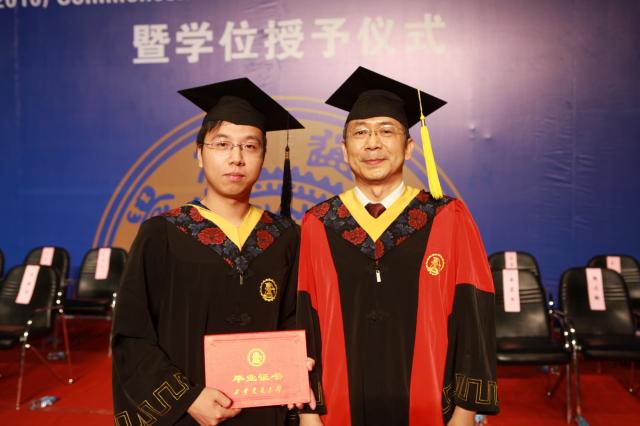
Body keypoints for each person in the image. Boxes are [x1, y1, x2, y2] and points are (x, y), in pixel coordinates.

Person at [296, 67, 499, 426]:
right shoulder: (319, 223)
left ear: (408, 147)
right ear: (344, 149)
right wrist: (309, 414)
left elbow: (474, 317)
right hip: (338, 409)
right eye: (360, 132)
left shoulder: (447, 217)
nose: (372, 143)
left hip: (431, 407)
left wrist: (466, 410)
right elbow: (303, 323)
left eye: (386, 131)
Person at [112, 78, 305, 425]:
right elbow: (133, 334)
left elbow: (295, 320)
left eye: (250, 146)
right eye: (222, 144)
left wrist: (297, 362)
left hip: (266, 409)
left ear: (263, 157)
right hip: (190, 413)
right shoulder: (163, 233)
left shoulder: (285, 236)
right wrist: (187, 398)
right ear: (199, 155)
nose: (236, 158)